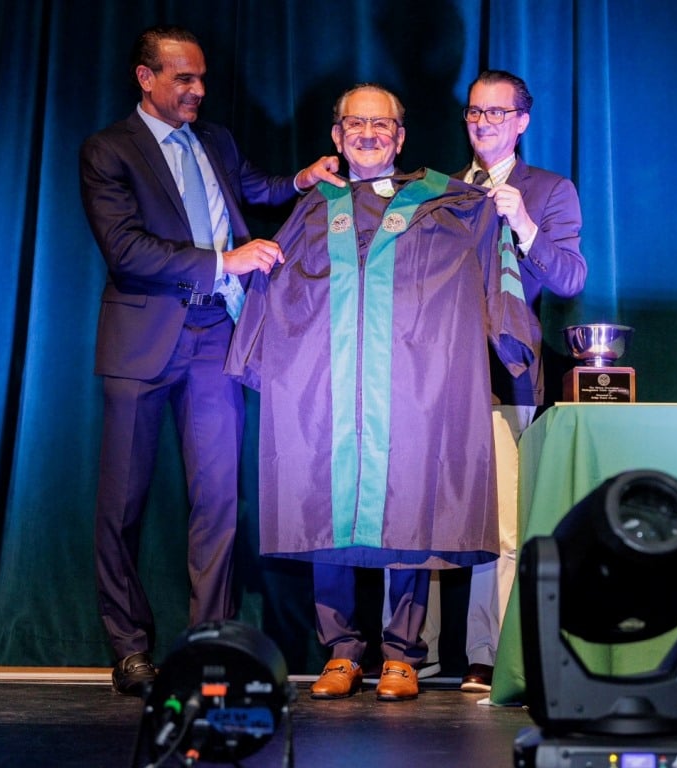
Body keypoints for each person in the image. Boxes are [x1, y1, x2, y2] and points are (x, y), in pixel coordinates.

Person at [225, 83, 538, 702]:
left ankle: (402, 655)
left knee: (411, 510)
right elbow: (276, 279)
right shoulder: (314, 209)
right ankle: (341, 652)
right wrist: (255, 355)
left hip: (415, 386)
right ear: (337, 137)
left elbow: (494, 265)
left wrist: (512, 343)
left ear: (399, 138)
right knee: (325, 508)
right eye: (355, 125)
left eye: (381, 125)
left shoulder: (447, 204)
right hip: (329, 386)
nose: (368, 134)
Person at [79, 24, 343, 696]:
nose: (197, 90)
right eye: (183, 78)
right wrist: (224, 261)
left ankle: (210, 644)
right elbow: (126, 250)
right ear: (146, 78)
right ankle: (129, 647)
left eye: (201, 78)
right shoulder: (109, 150)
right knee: (122, 504)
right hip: (142, 341)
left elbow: (254, 188)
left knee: (219, 500)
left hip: (215, 338)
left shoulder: (215, 140)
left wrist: (302, 179)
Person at [456, 70, 587, 693]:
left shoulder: (549, 190)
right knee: (434, 516)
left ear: (522, 122)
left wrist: (526, 225)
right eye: (475, 112)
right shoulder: (444, 189)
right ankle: (415, 654)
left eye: (497, 113)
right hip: (440, 377)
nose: (483, 123)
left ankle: (495, 656)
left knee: (504, 524)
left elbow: (570, 278)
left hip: (506, 375)